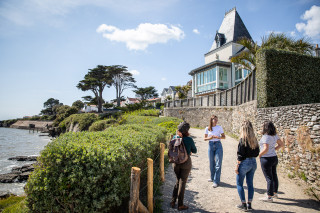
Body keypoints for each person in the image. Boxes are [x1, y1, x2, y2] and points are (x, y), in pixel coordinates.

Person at [170, 121, 197, 211]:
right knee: (183, 182)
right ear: (187, 131)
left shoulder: (175, 138)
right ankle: (180, 204)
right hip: (186, 163)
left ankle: (173, 201)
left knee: (178, 180)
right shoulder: (189, 139)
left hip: (175, 163)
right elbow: (195, 150)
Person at [235, 120, 260, 211]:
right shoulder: (254, 140)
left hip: (244, 163)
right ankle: (249, 204)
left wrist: (237, 166)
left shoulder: (243, 140)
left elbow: (240, 155)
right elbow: (257, 153)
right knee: (250, 184)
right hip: (253, 162)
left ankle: (243, 204)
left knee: (239, 184)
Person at [258, 120, 284, 202]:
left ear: (265, 127)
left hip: (266, 158)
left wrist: (259, 154)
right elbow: (281, 144)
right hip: (274, 157)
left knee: (269, 178)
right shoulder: (274, 135)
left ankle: (269, 196)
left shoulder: (266, 137)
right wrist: (274, 149)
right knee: (274, 175)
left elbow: (265, 149)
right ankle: (274, 192)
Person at [204, 115, 225, 188]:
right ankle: (212, 177)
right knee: (211, 162)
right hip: (210, 145)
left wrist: (218, 137)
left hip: (218, 145)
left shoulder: (219, 127)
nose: (216, 121)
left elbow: (224, 137)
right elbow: (205, 138)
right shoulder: (207, 128)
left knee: (218, 163)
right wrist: (210, 137)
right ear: (211, 120)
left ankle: (216, 181)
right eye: (215, 120)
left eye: (217, 120)